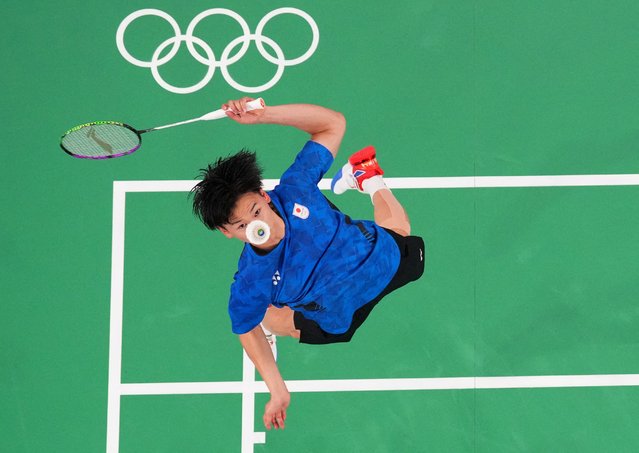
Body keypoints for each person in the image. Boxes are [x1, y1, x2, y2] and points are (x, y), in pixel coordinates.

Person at [191, 97, 424, 431]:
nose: (256, 226)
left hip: (378, 260)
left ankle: (368, 177)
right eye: (241, 226)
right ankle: (367, 177)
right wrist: (277, 388)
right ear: (226, 232)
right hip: (335, 314)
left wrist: (264, 116)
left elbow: (332, 124)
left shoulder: (296, 188)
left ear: (264, 194)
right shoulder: (251, 281)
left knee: (401, 230)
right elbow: (244, 327)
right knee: (269, 319)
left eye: (255, 211)